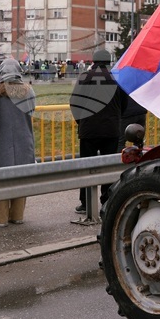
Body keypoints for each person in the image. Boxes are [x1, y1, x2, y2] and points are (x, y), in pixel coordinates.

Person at [70, 49, 127, 212]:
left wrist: (81, 121)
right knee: (108, 167)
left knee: (87, 166)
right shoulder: (117, 78)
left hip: (89, 129)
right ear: (109, 61)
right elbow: (124, 104)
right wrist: (115, 118)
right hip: (111, 129)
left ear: (94, 61)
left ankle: (85, 203)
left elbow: (74, 103)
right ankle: (107, 201)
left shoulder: (84, 78)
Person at [0, 58, 36, 226]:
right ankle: (17, 216)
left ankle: (0, 219)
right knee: (20, 179)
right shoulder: (28, 92)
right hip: (24, 140)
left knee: (2, 181)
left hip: (0, 142)